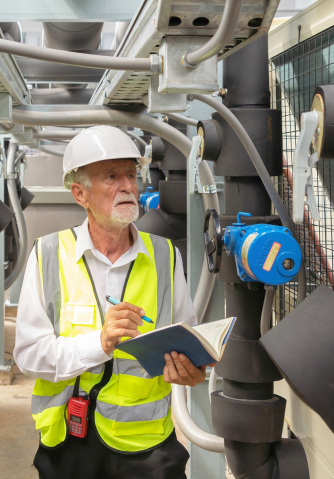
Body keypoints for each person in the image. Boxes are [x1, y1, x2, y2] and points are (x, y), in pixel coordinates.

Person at [13, 125, 212, 479]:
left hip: (148, 446)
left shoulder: (166, 256)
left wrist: (192, 369)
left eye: (131, 175)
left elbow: (187, 339)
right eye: (111, 177)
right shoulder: (48, 254)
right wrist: (100, 343)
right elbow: (29, 355)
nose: (128, 186)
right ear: (80, 193)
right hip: (71, 443)